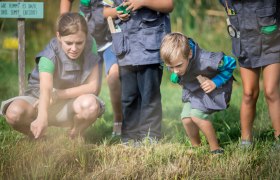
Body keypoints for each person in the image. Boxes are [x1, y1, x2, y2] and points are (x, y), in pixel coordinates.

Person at [0, 12, 104, 139]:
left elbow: (93, 87)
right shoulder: (48, 55)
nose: (74, 48)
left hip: (71, 100)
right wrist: (42, 117)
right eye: (69, 43)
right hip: (40, 100)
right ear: (59, 36)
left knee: (91, 106)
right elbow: (46, 90)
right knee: (13, 113)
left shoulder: (91, 44)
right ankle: (40, 137)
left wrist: (58, 94)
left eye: (79, 42)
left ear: (86, 37)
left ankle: (74, 135)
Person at [104, 0, 173, 144]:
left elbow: (168, 5)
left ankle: (150, 136)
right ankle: (129, 137)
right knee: (128, 98)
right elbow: (103, 11)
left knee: (149, 97)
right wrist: (116, 12)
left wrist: (143, 2)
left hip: (150, 51)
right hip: (125, 51)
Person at [160, 32, 236, 154]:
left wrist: (215, 82)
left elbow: (231, 63)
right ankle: (197, 147)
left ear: (189, 54)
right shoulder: (177, 61)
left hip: (214, 89)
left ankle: (215, 148)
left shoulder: (205, 60)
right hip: (195, 91)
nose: (175, 70)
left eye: (178, 66)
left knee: (196, 115)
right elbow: (176, 69)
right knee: (186, 118)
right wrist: (177, 77)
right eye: (170, 67)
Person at [220, 0, 280, 147]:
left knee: (271, 91)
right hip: (246, 45)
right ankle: (246, 140)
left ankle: (279, 137)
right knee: (249, 93)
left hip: (272, 44)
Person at [60, 0, 123, 136]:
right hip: (85, 40)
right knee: (88, 86)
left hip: (111, 38)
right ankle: (78, 126)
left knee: (114, 76)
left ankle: (119, 120)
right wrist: (63, 26)